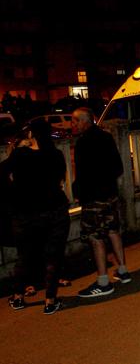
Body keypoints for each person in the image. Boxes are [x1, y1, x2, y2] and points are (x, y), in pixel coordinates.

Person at [1, 120, 69, 314]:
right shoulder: (56, 155)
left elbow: (1, 173)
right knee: (53, 256)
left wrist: (14, 192)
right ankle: (50, 300)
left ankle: (18, 297)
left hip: (26, 213)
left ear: (31, 135)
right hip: (55, 209)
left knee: (25, 256)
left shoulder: (20, 154)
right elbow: (60, 178)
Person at [71, 107, 131, 298]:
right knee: (113, 230)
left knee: (95, 237)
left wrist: (79, 192)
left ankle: (103, 282)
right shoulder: (106, 137)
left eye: (75, 121)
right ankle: (122, 271)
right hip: (110, 194)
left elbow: (81, 174)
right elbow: (118, 167)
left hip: (93, 198)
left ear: (85, 122)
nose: (72, 125)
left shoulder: (82, 143)